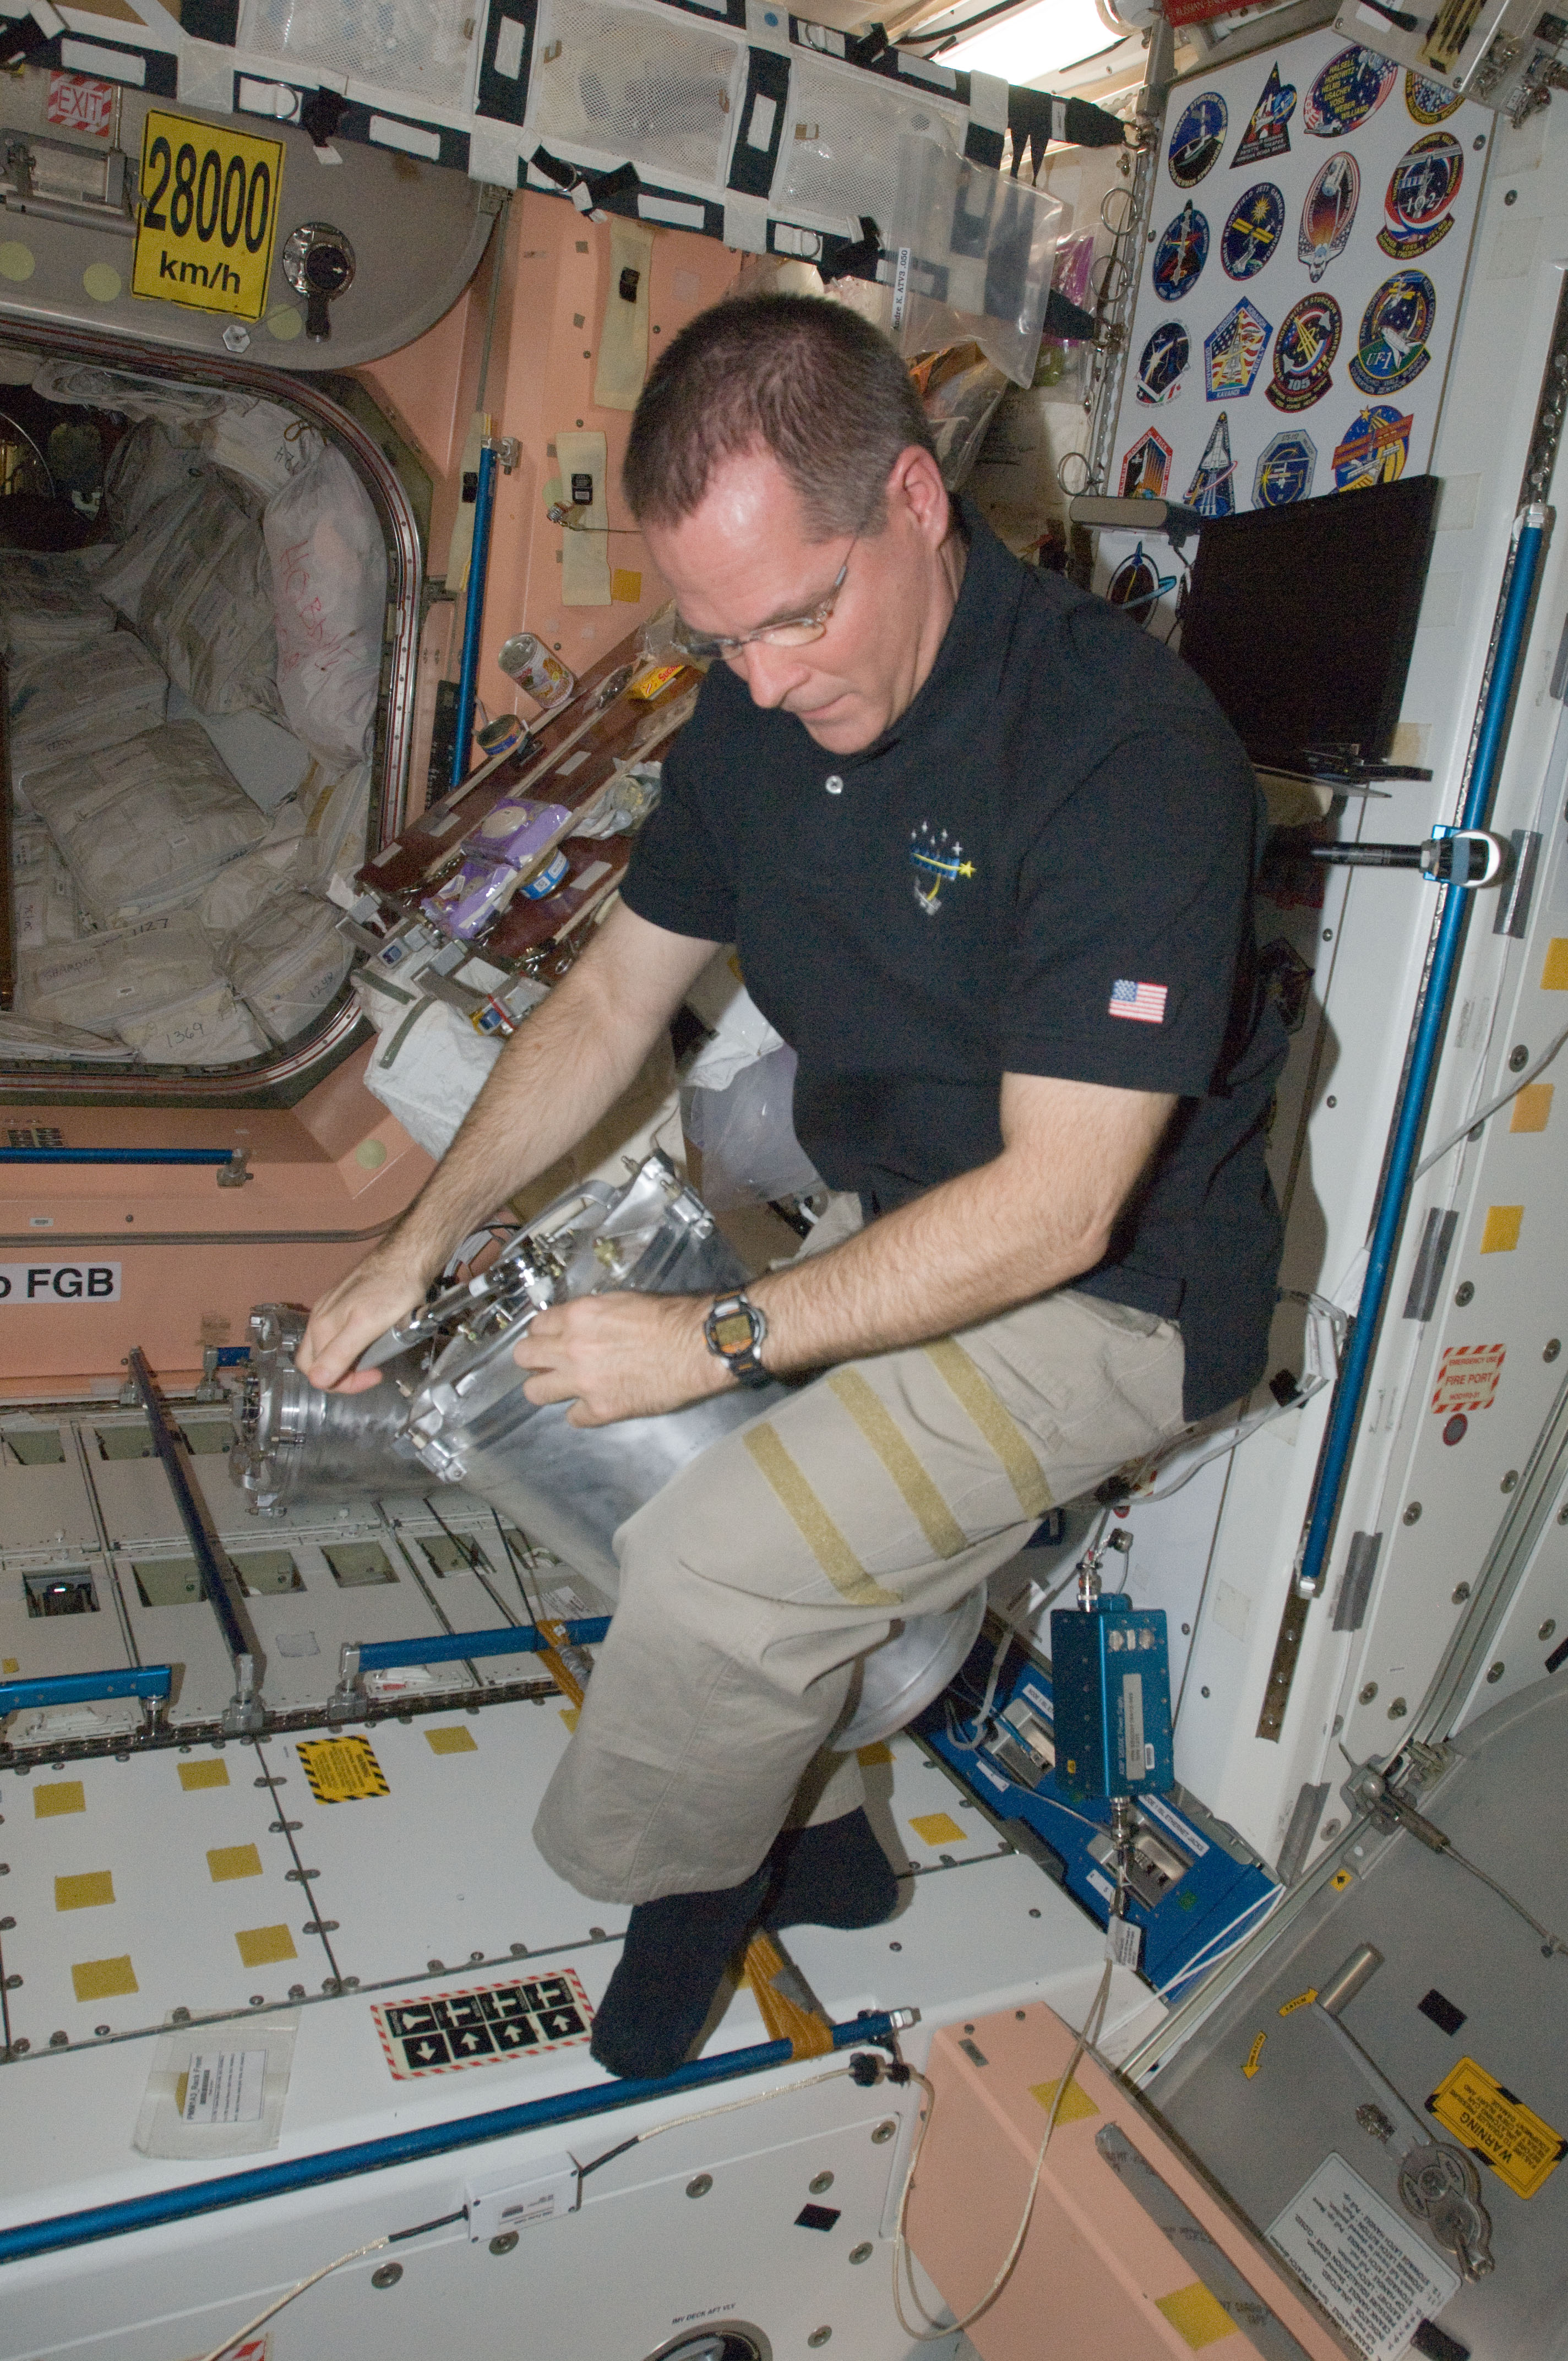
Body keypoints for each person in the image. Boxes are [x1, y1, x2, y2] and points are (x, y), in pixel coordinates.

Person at [300, 294, 1286, 2080]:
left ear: (914, 498)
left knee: (716, 1572)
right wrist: (410, 1244)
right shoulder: (754, 719)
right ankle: (822, 1842)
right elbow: (611, 1000)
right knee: (625, 1460)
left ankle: (699, 1880)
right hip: (902, 1211)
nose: (763, 681)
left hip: (1118, 1293)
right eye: (718, 635)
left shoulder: (1124, 752)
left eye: (799, 616)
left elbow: (1063, 1207)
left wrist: (718, 1337)